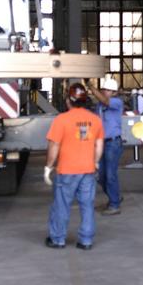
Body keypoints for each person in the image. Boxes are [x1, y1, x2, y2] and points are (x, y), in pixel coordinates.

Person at [44, 82, 103, 249]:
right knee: (87, 205)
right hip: (88, 170)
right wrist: (95, 162)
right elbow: (99, 145)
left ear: (68, 101)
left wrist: (48, 167)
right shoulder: (95, 120)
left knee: (62, 205)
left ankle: (58, 239)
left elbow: (54, 146)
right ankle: (86, 241)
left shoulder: (61, 120)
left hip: (67, 170)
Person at [90, 78, 125, 215]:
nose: (105, 91)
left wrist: (92, 88)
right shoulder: (99, 105)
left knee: (110, 175)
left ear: (114, 92)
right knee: (101, 176)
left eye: (108, 90)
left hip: (112, 143)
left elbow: (105, 101)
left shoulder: (116, 102)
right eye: (104, 89)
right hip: (101, 143)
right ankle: (115, 197)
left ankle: (114, 204)